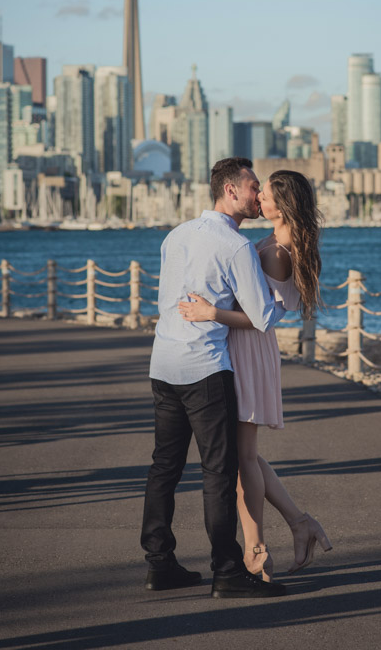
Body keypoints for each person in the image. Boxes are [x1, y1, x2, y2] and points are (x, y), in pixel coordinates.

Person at [141, 157, 288, 598]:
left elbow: (166, 299)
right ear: (230, 190)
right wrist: (288, 299)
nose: (258, 194)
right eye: (253, 186)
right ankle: (227, 572)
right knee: (218, 473)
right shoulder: (236, 246)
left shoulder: (176, 234)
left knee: (164, 467)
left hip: (163, 363)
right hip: (205, 368)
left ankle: (159, 565)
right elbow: (263, 317)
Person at [178, 170, 332, 581]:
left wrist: (210, 313)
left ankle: (256, 553)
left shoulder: (276, 251)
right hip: (249, 349)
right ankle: (299, 524)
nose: (258, 197)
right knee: (243, 453)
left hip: (249, 349)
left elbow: (260, 318)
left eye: (264, 194)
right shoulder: (275, 241)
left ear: (282, 205)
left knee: (242, 457)